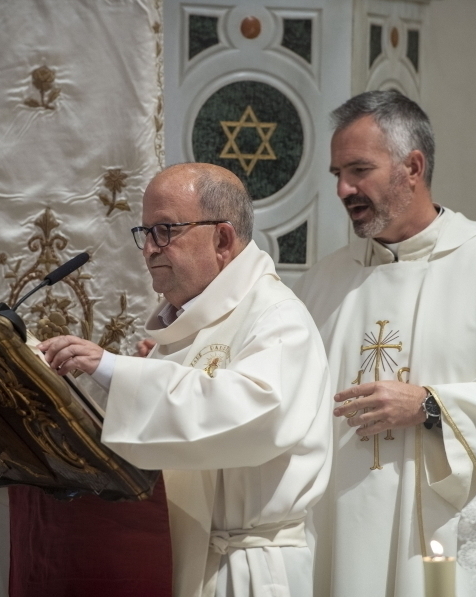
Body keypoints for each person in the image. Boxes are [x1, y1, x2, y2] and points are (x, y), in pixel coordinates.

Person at [293, 90, 476, 596]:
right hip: (337, 532)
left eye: (359, 170)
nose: (343, 189)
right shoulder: (320, 286)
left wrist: (432, 406)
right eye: (338, 174)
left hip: (446, 541)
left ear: (413, 167)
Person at [38, 162, 333, 597]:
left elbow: (253, 415)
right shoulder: (188, 322)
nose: (149, 249)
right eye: (145, 233)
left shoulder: (277, 317)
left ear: (222, 239)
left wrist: (113, 369)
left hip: (247, 568)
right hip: (180, 553)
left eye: (165, 231)